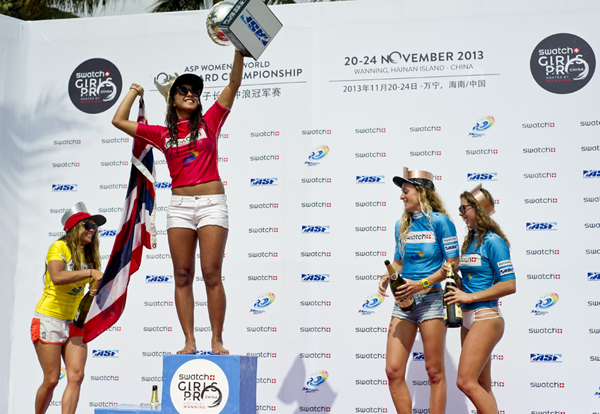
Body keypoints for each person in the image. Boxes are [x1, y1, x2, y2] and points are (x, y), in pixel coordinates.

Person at [111, 50, 245, 355]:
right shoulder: (161, 134)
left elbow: (234, 83)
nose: (190, 94)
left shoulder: (210, 121)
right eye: (183, 90)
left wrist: (238, 51)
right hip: (180, 209)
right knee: (182, 275)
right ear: (172, 99)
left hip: (212, 203)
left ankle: (217, 340)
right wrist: (133, 91)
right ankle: (189, 341)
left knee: (211, 273)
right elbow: (117, 120)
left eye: (194, 91)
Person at [378, 167, 459, 414]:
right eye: (402, 192)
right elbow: (399, 263)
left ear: (421, 192)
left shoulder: (441, 222)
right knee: (392, 371)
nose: (401, 197)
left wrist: (421, 284)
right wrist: (385, 276)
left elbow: (452, 265)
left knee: (434, 372)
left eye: (405, 191)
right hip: (403, 301)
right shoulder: (400, 225)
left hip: (432, 299)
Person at [443, 184, 516, 414]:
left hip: (486, 316)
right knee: (482, 385)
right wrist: (453, 275)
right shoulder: (472, 241)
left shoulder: (494, 241)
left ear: (479, 209)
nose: (460, 213)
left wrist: (469, 296)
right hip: (467, 318)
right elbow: (471, 283)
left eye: (464, 208)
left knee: (465, 382)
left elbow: (509, 284)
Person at [32, 202, 105, 414]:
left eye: (95, 226)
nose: (92, 229)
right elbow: (57, 277)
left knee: (77, 376)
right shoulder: (59, 247)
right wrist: (90, 273)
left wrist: (94, 290)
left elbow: (87, 290)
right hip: (49, 318)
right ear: (74, 227)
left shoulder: (89, 255)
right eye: (88, 225)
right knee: (52, 379)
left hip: (75, 321)